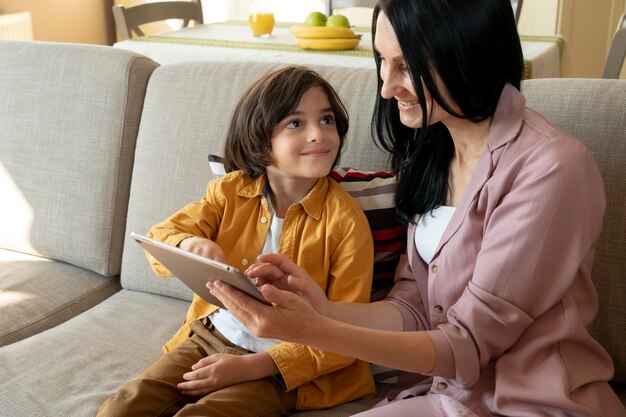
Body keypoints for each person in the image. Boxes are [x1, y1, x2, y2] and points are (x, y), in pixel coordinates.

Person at [207, 1, 626, 416]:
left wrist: (317, 331)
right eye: (382, 62)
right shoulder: (432, 151)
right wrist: (321, 307)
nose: (387, 87)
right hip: (446, 395)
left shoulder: (552, 166)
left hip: (533, 403)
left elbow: (468, 343)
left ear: (465, 53)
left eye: (405, 67)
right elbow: (416, 307)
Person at [97, 66, 376, 417]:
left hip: (283, 368)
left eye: (326, 120)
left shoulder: (346, 223)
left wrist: (252, 367)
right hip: (210, 336)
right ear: (261, 140)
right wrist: (189, 245)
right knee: (124, 406)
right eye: (295, 123)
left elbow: (346, 335)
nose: (318, 134)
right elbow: (161, 236)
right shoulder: (229, 191)